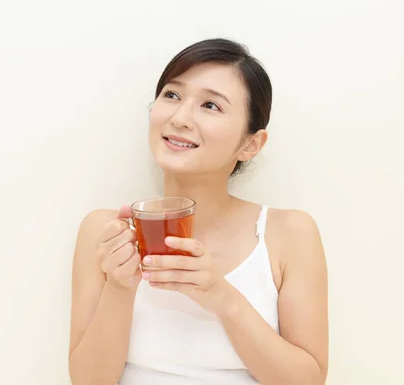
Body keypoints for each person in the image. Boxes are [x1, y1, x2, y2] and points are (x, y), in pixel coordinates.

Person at [68, 38, 328, 385]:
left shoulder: (289, 233)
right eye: (172, 95)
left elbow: (307, 381)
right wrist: (119, 287)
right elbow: (87, 381)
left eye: (210, 105)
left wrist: (221, 297)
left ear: (250, 144)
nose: (179, 118)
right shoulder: (105, 230)